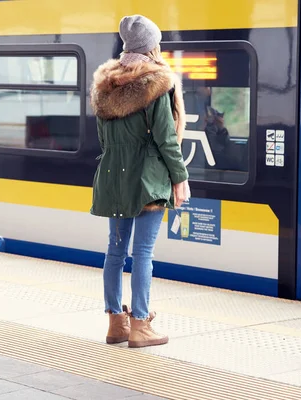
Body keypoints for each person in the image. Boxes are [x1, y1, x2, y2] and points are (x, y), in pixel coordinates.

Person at [90, 15, 189, 348]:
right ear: (152, 46)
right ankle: (141, 325)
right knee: (143, 254)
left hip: (114, 179)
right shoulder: (155, 82)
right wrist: (180, 179)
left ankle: (115, 323)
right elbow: (165, 139)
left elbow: (105, 140)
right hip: (147, 181)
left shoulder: (105, 85)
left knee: (115, 253)